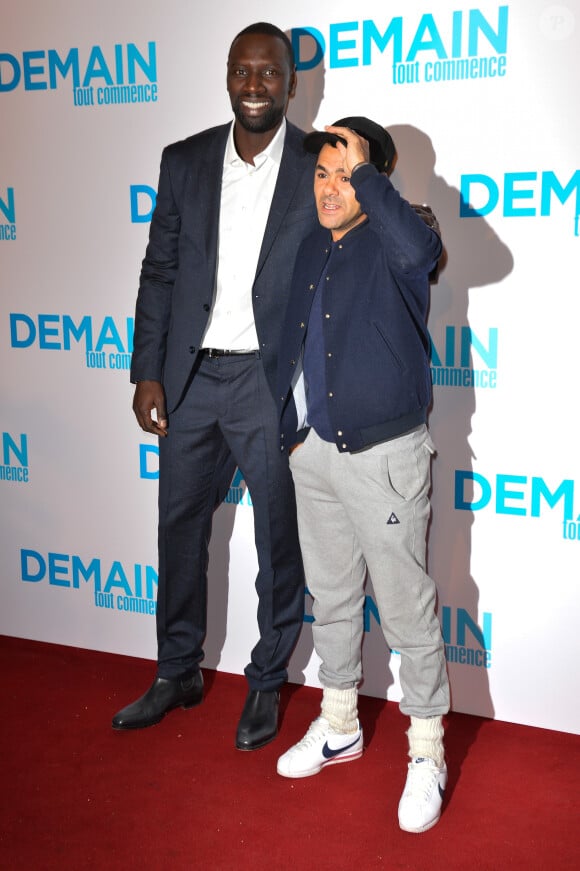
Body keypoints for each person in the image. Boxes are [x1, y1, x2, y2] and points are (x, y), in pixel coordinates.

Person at [112, 22, 318, 751]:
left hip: (268, 382)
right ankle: (178, 670)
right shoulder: (185, 161)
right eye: (243, 70)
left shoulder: (318, 164)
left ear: (292, 84)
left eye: (270, 72)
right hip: (192, 375)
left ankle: (266, 681)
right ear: (228, 77)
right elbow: (159, 273)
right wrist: (147, 371)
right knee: (178, 530)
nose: (255, 84)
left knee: (276, 540)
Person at [275, 118, 451, 833]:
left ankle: (427, 748)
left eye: (345, 173)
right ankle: (340, 718)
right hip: (314, 451)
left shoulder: (400, 238)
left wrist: (368, 176)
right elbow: (289, 337)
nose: (329, 186)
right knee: (334, 597)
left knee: (408, 609)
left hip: (384, 457)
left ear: (376, 178)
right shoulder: (312, 245)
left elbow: (420, 246)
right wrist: (290, 432)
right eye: (321, 172)